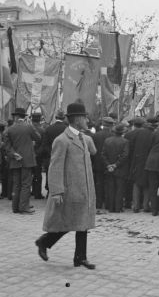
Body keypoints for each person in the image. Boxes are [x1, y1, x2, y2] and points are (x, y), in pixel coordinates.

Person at [35, 103, 96, 269]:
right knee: (70, 222)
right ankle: (44, 241)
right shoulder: (62, 140)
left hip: (84, 189)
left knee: (81, 223)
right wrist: (56, 191)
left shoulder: (83, 138)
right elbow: (55, 166)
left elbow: (92, 154)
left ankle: (80, 258)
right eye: (84, 117)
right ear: (77, 120)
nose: (87, 120)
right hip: (70, 189)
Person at [4, 107, 40, 214]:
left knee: (16, 184)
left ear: (15, 117)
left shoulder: (9, 129)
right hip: (27, 159)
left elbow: (7, 146)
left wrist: (13, 154)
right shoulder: (29, 127)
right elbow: (38, 137)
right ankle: (23, 207)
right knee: (25, 184)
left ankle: (15, 207)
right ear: (24, 117)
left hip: (15, 159)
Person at [102, 123, 129, 212]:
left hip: (109, 168)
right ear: (122, 132)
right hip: (120, 169)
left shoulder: (107, 140)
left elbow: (103, 154)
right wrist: (116, 165)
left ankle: (111, 207)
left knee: (111, 188)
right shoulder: (125, 141)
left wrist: (108, 165)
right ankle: (118, 207)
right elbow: (125, 155)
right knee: (119, 189)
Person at [92, 116, 115, 210]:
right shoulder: (113, 136)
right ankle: (108, 204)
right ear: (111, 125)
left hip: (98, 163)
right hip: (110, 164)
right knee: (109, 184)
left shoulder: (96, 135)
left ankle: (98, 203)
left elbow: (92, 151)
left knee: (99, 184)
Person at [30, 112, 46, 199]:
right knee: (37, 175)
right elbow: (43, 145)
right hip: (38, 156)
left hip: (28, 155)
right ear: (40, 120)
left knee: (28, 174)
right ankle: (37, 193)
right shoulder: (42, 130)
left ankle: (29, 191)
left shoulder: (27, 128)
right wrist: (38, 154)